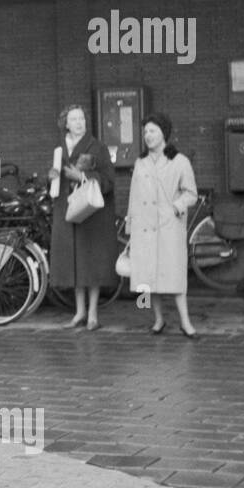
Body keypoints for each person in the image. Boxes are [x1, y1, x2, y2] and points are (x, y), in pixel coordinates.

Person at [127, 112, 198, 337]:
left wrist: (175, 208)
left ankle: (185, 322)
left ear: (164, 133)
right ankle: (158, 320)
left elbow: (191, 194)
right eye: (145, 131)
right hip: (144, 227)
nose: (148, 136)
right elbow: (133, 196)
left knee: (175, 277)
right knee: (149, 278)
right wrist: (131, 228)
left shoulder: (180, 161)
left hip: (169, 227)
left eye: (153, 131)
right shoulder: (140, 162)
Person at [47, 102, 117, 330]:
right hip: (67, 210)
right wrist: (51, 175)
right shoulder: (59, 150)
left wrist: (83, 176)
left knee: (91, 263)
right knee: (74, 262)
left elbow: (108, 179)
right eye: (74, 119)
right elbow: (52, 180)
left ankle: (93, 314)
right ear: (65, 124)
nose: (79, 123)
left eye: (82, 119)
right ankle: (79, 312)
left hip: (90, 214)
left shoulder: (97, 147)